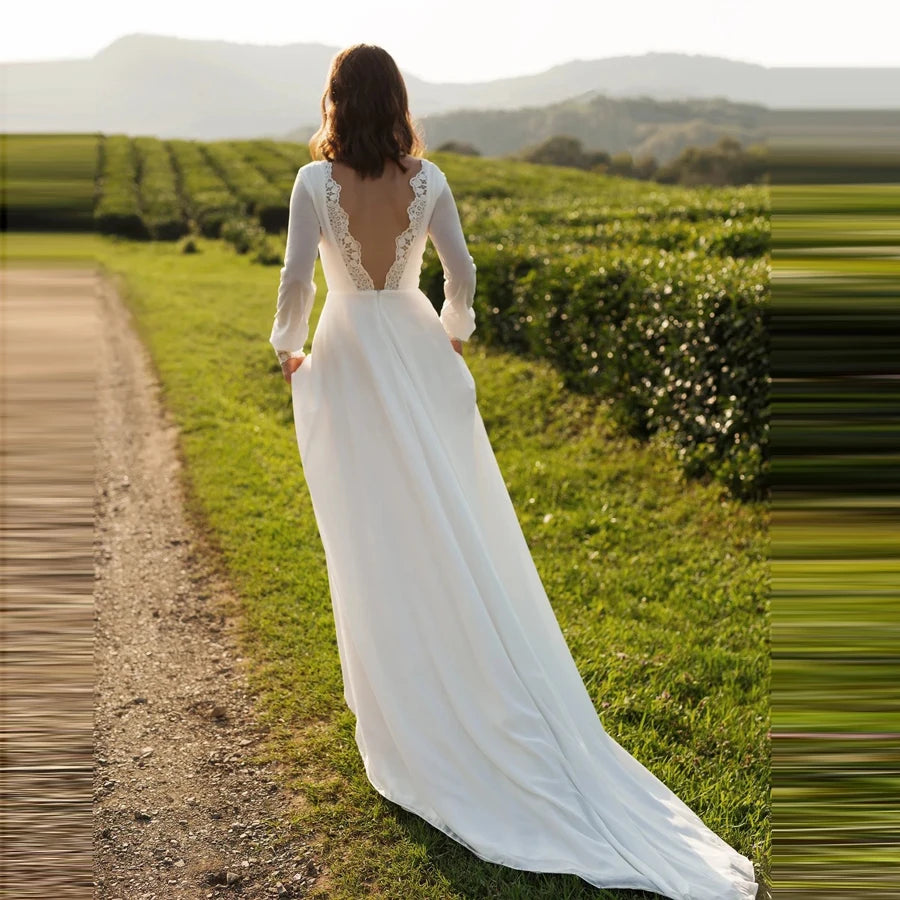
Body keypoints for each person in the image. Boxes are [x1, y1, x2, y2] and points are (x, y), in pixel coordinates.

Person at [268, 43, 759, 900]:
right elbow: (460, 278)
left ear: (336, 101)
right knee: (452, 528)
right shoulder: (430, 180)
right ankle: (470, 684)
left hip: (350, 364)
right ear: (397, 101)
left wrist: (289, 353)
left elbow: (295, 285)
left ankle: (415, 711)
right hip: (418, 357)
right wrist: (446, 339)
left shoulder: (315, 186)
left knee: (377, 539)